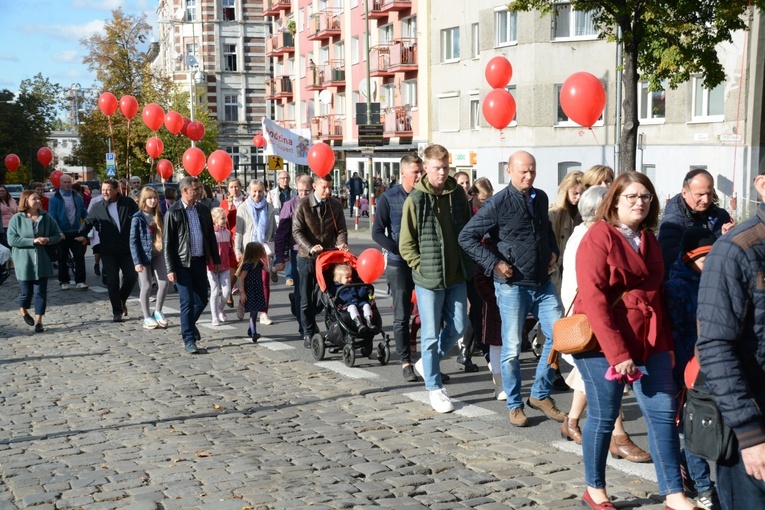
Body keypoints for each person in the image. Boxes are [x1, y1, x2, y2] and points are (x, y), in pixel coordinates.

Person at [573, 171, 697, 510]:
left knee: (662, 413)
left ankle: (674, 493)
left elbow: (657, 298)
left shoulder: (649, 239)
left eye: (645, 196)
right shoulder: (598, 237)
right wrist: (617, 353)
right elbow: (595, 300)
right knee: (603, 413)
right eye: (631, 196)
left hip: (650, 340)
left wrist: (667, 347)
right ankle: (594, 490)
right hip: (603, 343)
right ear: (614, 200)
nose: (639, 202)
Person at [459, 150, 566, 427]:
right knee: (512, 348)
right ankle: (515, 404)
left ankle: (540, 394)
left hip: (542, 282)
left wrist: (553, 250)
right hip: (511, 286)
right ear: (509, 171)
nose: (528, 176)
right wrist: (494, 263)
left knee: (559, 336)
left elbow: (546, 232)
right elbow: (467, 237)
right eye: (523, 171)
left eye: (532, 170)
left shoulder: (540, 197)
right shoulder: (496, 203)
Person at [558, 186, 651, 463]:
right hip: (594, 322)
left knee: (595, 386)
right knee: (609, 389)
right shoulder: (589, 237)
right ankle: (617, 438)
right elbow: (582, 287)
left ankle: (572, 421)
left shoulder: (605, 234)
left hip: (606, 321)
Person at [696, 169, 765, 510]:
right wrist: (750, 434)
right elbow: (715, 347)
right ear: (762, 186)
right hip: (753, 423)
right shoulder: (735, 250)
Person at [399, 144, 473, 413]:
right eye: (437, 168)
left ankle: (426, 364)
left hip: (456, 275)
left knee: (458, 326)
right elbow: (406, 244)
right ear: (426, 169)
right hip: (428, 279)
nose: (442, 172)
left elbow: (466, 232)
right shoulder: (415, 201)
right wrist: (422, 266)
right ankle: (434, 386)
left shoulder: (458, 196)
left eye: (445, 167)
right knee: (429, 335)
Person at [665, 227, 719, 508]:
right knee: (693, 430)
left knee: (708, 430)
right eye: (703, 259)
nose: (709, 264)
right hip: (687, 371)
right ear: (688, 259)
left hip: (713, 365)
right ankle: (704, 488)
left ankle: (689, 468)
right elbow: (675, 334)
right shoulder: (677, 287)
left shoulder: (716, 282)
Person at [372, 154, 423, 382]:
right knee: (402, 315)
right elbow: (377, 232)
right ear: (403, 173)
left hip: (424, 263)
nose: (420, 176)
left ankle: (429, 365)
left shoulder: (426, 196)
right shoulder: (389, 198)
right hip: (399, 264)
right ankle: (406, 363)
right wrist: (398, 249)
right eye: (416, 172)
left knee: (431, 315)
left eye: (421, 171)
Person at [163, 176, 221, 354]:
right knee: (187, 301)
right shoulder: (173, 212)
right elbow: (168, 243)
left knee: (202, 300)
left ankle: (188, 324)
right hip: (181, 263)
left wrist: (216, 259)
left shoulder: (203, 210)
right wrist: (170, 268)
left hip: (199, 261)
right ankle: (188, 338)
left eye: (199, 188)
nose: (199, 191)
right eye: (195, 189)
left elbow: (210, 237)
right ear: (185, 191)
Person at [293, 173, 348, 348]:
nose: (328, 190)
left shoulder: (335, 205)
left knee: (331, 295)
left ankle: (333, 331)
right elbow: (297, 231)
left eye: (330, 187)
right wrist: (310, 247)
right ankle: (308, 332)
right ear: (315, 186)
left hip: (328, 256)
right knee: (306, 298)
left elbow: (341, 230)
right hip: (307, 258)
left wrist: (341, 243)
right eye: (324, 187)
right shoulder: (303, 204)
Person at [76, 179, 139, 322]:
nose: (104, 192)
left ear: (117, 190)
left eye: (108, 189)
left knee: (131, 277)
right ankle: (117, 311)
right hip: (108, 250)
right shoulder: (98, 207)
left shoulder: (128, 203)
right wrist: (81, 235)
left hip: (127, 248)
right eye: (103, 189)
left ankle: (121, 299)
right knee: (112, 281)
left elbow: (138, 218)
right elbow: (88, 222)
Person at [658, 168, 735, 278]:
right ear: (684, 193)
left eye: (709, 193)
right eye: (700, 194)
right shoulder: (671, 224)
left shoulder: (721, 216)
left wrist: (729, 239)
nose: (706, 200)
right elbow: (673, 262)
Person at [468, 178, 505, 398]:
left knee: (506, 338)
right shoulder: (472, 218)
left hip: (503, 288)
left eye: (489, 200)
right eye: (483, 200)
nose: (486, 204)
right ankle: (497, 380)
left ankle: (505, 379)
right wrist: (491, 298)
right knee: (483, 322)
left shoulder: (497, 226)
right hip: (481, 272)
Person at [7, 190, 61, 333]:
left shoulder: (46, 217)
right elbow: (12, 240)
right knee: (26, 292)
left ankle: (39, 322)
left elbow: (57, 235)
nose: (38, 201)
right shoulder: (17, 219)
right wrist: (32, 241)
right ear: (26, 201)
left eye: (38, 199)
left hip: (42, 260)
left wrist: (47, 239)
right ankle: (23, 310)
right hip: (24, 261)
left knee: (40, 292)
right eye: (34, 199)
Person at [274, 174, 313, 336]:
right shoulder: (290, 206)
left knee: (317, 293)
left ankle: (305, 315)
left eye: (307, 191)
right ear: (296, 188)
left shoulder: (317, 204)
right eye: (301, 191)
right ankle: (304, 326)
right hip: (298, 253)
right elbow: (281, 234)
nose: (304, 194)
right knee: (301, 292)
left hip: (317, 253)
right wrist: (279, 257)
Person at [235, 180, 277, 326]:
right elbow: (239, 232)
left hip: (264, 250)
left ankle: (264, 313)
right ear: (249, 191)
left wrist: (275, 250)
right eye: (254, 191)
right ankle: (242, 303)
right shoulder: (243, 208)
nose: (257, 194)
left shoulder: (269, 208)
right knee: (247, 282)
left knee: (264, 281)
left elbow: (274, 231)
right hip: (249, 250)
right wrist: (238, 251)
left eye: (260, 191)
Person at [129, 186, 170, 330]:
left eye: (155, 198)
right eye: (149, 198)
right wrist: (137, 262)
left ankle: (158, 310)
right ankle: (146, 316)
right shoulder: (137, 217)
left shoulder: (160, 214)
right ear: (143, 200)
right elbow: (133, 241)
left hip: (158, 252)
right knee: (146, 285)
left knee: (164, 283)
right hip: (143, 255)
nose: (152, 201)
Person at [49, 173, 89, 291]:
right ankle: (64, 280)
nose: (67, 184)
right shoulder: (55, 198)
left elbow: (83, 212)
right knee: (62, 258)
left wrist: (89, 222)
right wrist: (59, 232)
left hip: (76, 230)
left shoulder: (77, 196)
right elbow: (53, 217)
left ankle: (80, 281)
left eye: (69, 182)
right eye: (64, 182)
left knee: (79, 257)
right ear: (60, 183)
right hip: (62, 232)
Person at [548, 171, 584, 292]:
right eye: (575, 193)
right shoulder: (553, 214)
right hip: (557, 269)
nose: (578, 197)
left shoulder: (584, 214)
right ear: (566, 190)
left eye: (582, 193)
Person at [207, 207, 236, 326]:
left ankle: (220, 309)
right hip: (212, 267)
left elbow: (229, 250)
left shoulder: (227, 232)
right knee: (214, 292)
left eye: (225, 218)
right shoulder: (211, 234)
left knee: (227, 291)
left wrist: (235, 256)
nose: (224, 220)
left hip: (224, 266)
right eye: (222, 218)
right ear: (214, 220)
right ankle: (214, 316)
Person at [267, 170, 297, 285]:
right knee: (278, 247)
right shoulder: (272, 193)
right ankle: (275, 267)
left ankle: (289, 276)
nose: (285, 180)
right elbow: (269, 210)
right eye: (283, 178)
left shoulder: (294, 192)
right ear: (278, 180)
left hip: (291, 224)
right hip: (277, 223)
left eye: (287, 178)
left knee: (290, 248)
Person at [220, 178, 246, 305]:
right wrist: (229, 209)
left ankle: (239, 293)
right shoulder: (224, 203)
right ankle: (229, 291)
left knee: (242, 267)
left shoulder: (247, 201)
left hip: (245, 238)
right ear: (228, 189)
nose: (234, 189)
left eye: (236, 187)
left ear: (241, 187)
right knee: (233, 267)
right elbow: (221, 221)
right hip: (231, 239)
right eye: (231, 187)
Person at [236, 241, 267, 343]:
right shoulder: (247, 264)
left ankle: (250, 330)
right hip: (250, 291)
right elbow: (242, 279)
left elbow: (268, 269)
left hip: (258, 289)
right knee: (253, 312)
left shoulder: (259, 262)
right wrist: (243, 292)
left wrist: (272, 264)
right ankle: (254, 333)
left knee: (255, 310)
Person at [330, 263, 374, 333]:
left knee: (366, 305)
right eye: (347, 277)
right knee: (352, 307)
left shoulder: (353, 285)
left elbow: (360, 295)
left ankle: (369, 321)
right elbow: (334, 298)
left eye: (350, 276)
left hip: (359, 302)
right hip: (347, 305)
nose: (350, 279)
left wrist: (364, 287)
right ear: (339, 279)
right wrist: (337, 304)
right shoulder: (335, 288)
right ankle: (358, 323)